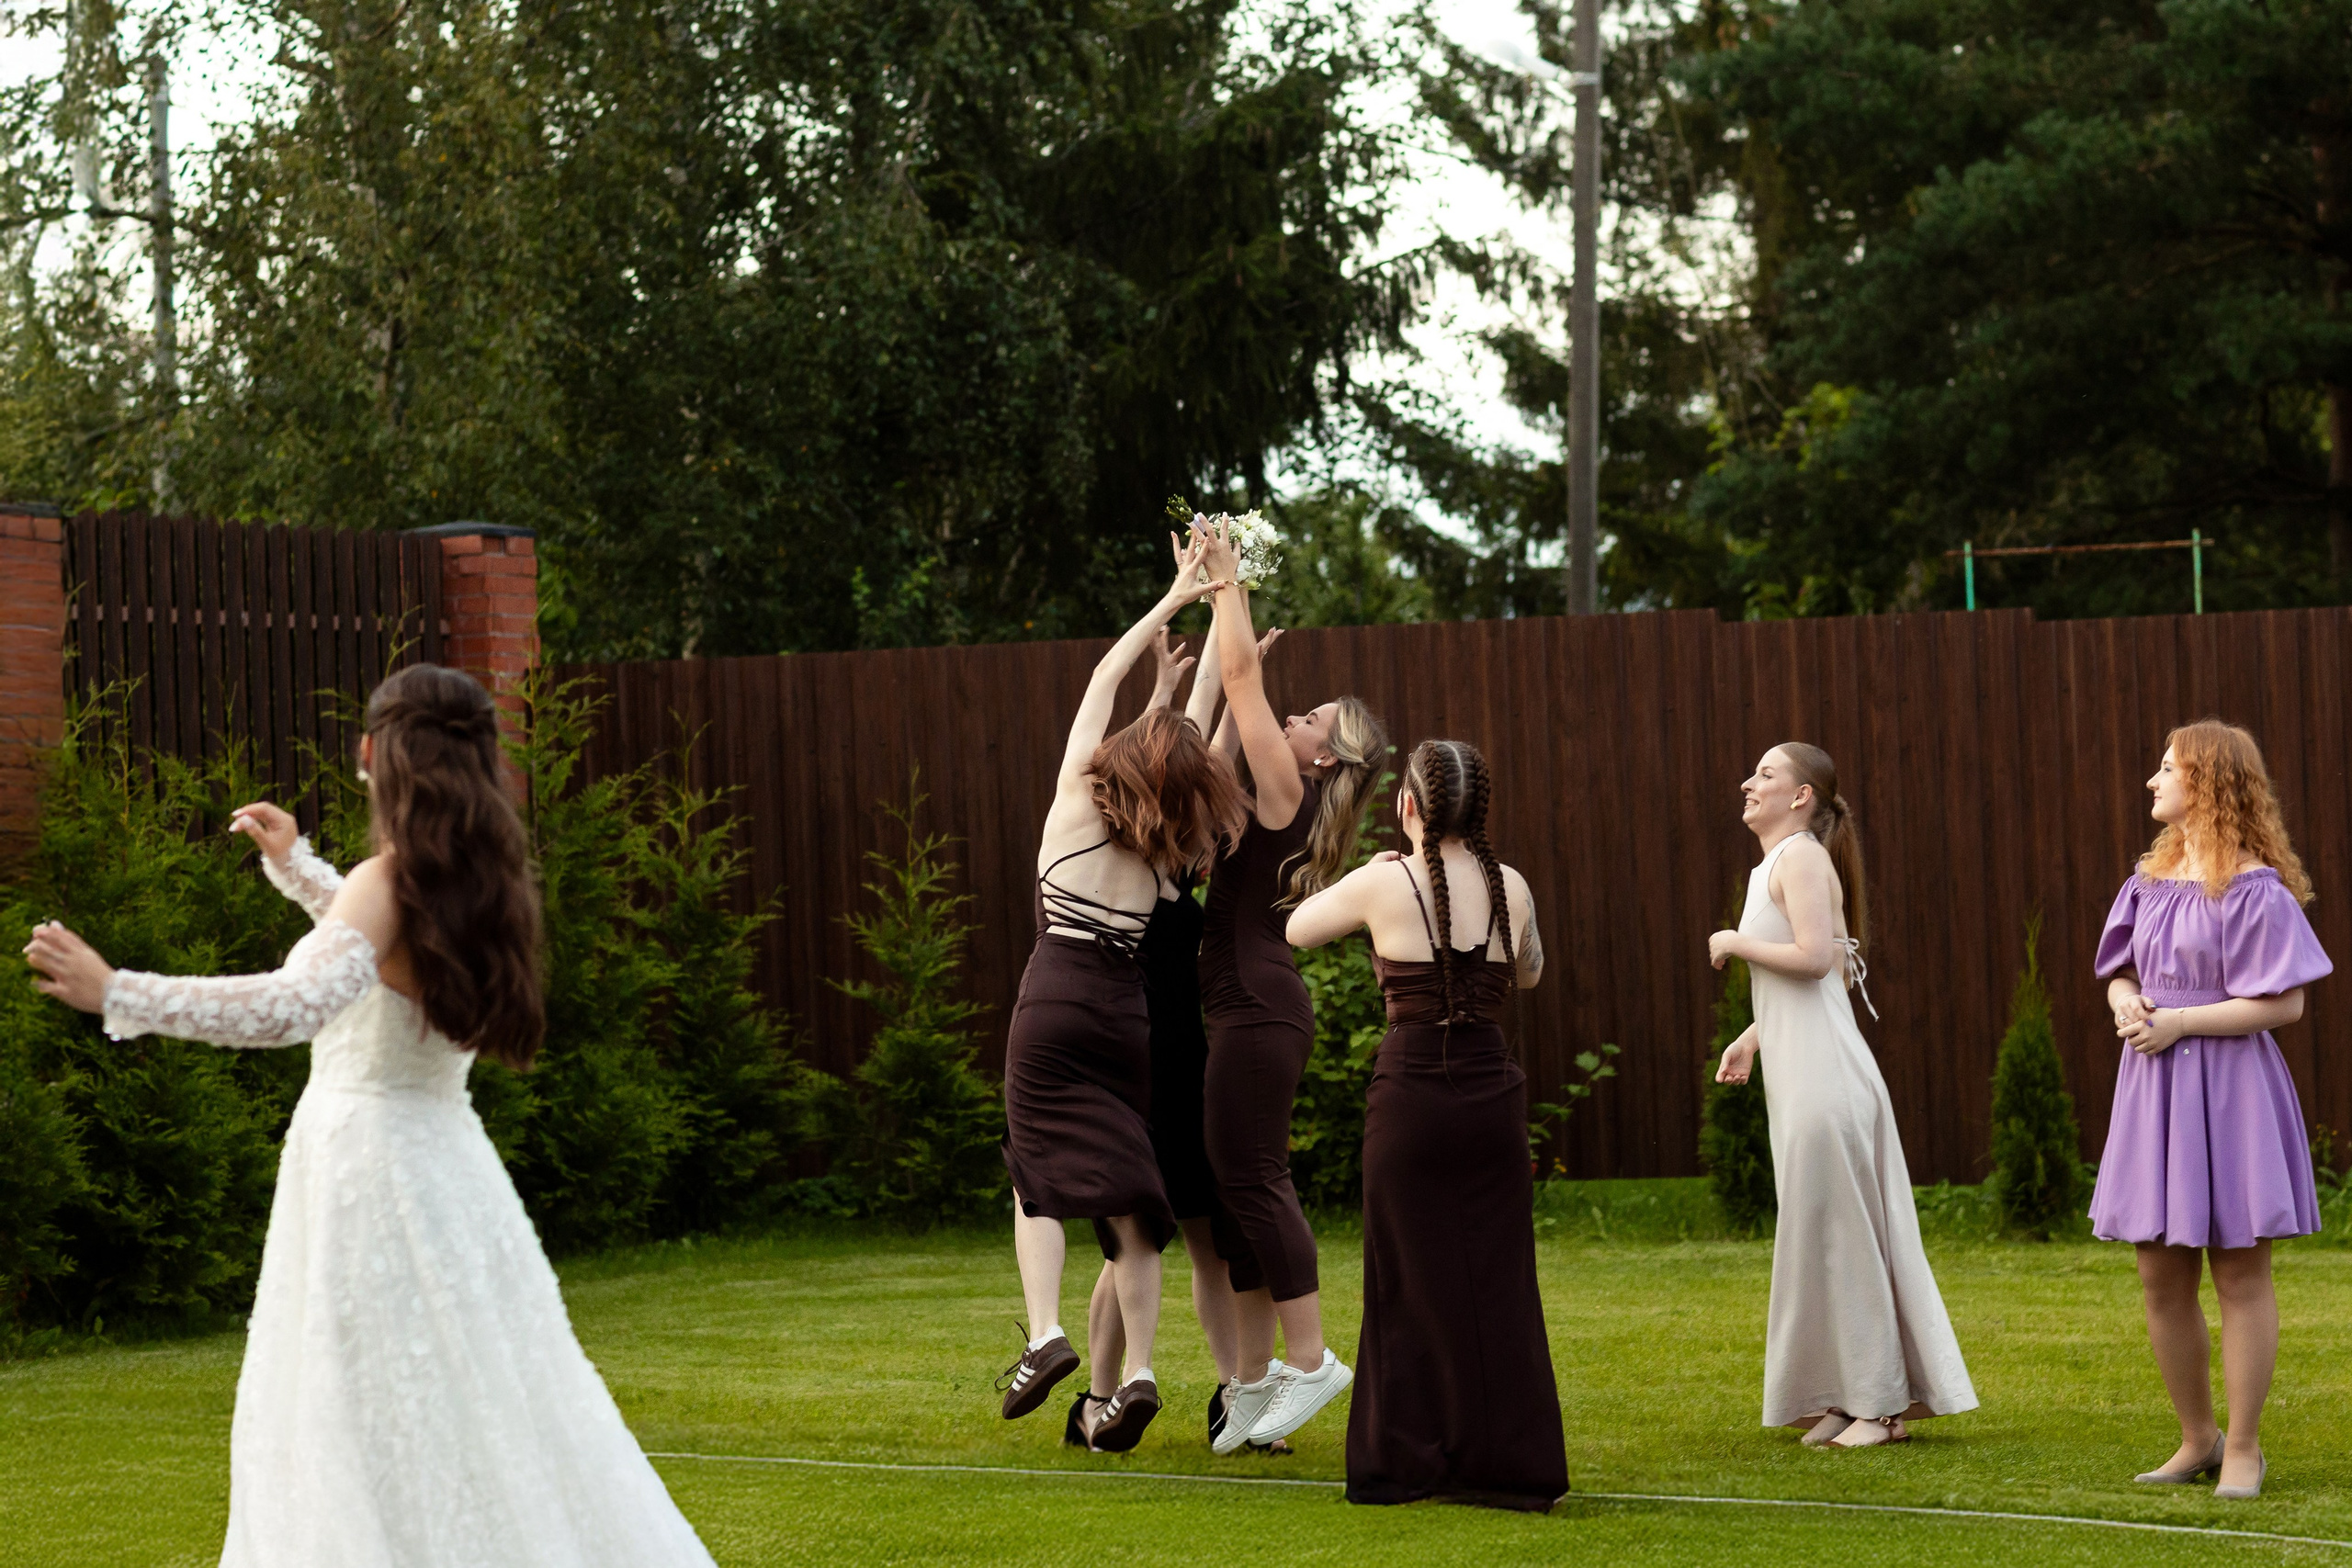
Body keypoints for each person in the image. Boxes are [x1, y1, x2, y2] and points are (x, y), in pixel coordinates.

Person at [21, 663, 719, 1568]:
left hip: (368, 1177)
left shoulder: (393, 880)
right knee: (471, 1407)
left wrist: (123, 991)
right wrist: (298, 867)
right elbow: (379, 959)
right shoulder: (475, 880)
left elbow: (293, 1005)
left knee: (361, 1419)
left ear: (374, 754)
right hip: (446, 1171)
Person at [997, 536, 1250, 1452]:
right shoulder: (1170, 849)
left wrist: (1173, 598)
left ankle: (1044, 1337)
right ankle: (1137, 1372)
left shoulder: (1073, 799)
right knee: (1135, 1209)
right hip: (1125, 1022)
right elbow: (1180, 762)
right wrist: (1211, 660)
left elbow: (1104, 680)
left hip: (1056, 995)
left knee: (1032, 1176)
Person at [1288, 739, 1568, 1511]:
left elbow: (1298, 929)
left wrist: (1375, 871)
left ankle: (1406, 1461)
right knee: (1496, 1286)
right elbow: (1531, 970)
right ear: (1479, 811)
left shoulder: (1385, 883)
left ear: (1409, 805)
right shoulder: (1511, 884)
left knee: (1405, 1284)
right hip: (1491, 1100)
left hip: (1411, 1097)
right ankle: (1507, 1467)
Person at [1711, 742, 1976, 1449]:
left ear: (1800, 797)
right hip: (1804, 1076)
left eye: (1764, 773)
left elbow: (1815, 956)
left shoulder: (1799, 857)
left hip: (1828, 1082)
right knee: (1820, 1239)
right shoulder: (1776, 863)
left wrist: (1735, 942)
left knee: (1846, 1241)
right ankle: (1842, 1392)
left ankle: (1882, 1407)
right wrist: (1751, 1035)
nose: (1748, 780)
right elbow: (1809, 984)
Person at [2091, 720, 2331, 1500]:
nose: (2152, 780)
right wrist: (2129, 1006)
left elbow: (2285, 1002)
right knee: (2160, 1273)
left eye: (2168, 768)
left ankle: (2246, 1448)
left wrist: (2182, 1021)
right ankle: (2198, 1437)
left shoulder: (2255, 885)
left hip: (2229, 1091)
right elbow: (2117, 971)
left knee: (2238, 1271)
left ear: (2210, 783)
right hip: (2155, 1086)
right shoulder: (2149, 879)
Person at [1191, 517, 1389, 1454]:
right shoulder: (1285, 795)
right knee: (1239, 1190)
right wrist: (1243, 682)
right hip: (1252, 1008)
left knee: (1254, 1180)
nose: (1292, 716)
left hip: (1256, 1011)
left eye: (1306, 719)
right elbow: (1224, 737)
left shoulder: (1292, 790)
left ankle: (1311, 1364)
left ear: (1321, 755)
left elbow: (1237, 683)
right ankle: (1258, 1384)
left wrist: (1227, 582)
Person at [1074, 622, 1284, 1452]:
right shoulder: (1124, 859)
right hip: (1132, 1070)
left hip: (1184, 1064)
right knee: (1133, 1239)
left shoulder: (1172, 852)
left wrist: (1230, 686)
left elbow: (1191, 754)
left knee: (1199, 1234)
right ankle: (1097, 1398)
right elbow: (1173, 750)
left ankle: (1237, 1400)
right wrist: (1188, 689)